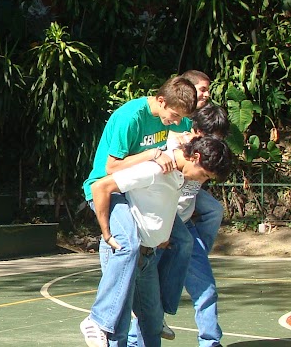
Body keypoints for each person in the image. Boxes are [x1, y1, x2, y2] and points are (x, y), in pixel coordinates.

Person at [79, 76, 198, 347]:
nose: (177, 122)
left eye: (182, 118)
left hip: (139, 192)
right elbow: (111, 168)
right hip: (111, 190)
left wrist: (190, 140)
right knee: (129, 246)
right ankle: (97, 319)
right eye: (174, 115)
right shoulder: (131, 117)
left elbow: (190, 138)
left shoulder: (178, 120)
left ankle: (160, 312)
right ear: (160, 101)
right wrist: (152, 154)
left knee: (183, 241)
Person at [85, 136, 234, 347]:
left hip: (148, 256)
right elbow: (101, 187)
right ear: (196, 157)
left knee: (153, 323)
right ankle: (96, 321)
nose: (202, 181)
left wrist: (161, 236)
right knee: (119, 327)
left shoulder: (180, 175)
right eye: (204, 175)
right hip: (126, 253)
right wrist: (107, 233)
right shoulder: (155, 169)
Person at [130, 103, 231, 347]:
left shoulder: (207, 157)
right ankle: (136, 339)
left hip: (184, 227)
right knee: (148, 297)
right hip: (161, 228)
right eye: (211, 138)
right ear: (196, 132)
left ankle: (210, 342)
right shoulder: (173, 150)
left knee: (205, 287)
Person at [153, 69, 219, 341]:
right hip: (161, 222)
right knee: (147, 288)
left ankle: (211, 340)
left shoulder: (207, 125)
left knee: (214, 210)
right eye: (201, 89)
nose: (206, 94)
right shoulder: (172, 133)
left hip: (183, 223)